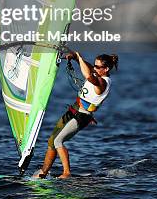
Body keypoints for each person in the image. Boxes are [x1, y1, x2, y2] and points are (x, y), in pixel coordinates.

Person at [34, 51, 118, 179]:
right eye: (94, 66)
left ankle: (67, 173)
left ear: (106, 69)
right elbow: (89, 68)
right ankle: (43, 173)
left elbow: (89, 76)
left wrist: (78, 56)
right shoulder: (97, 73)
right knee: (51, 140)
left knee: (58, 141)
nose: (94, 68)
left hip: (81, 116)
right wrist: (75, 58)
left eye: (98, 67)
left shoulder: (103, 83)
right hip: (73, 109)